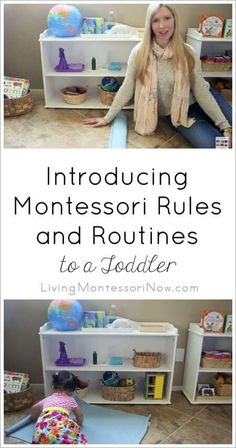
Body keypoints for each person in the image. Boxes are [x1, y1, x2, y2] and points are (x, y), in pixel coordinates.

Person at [83, 2, 232, 148]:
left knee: (230, 125)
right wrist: (107, 117)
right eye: (156, 20)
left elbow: (201, 91)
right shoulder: (139, 53)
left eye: (167, 18)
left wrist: (225, 127)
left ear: (174, 19)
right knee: (215, 145)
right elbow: (127, 86)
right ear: (150, 25)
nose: (162, 25)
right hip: (179, 111)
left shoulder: (188, 52)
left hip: (204, 96)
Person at [31, 371, 88, 444]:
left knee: (44, 437)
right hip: (60, 427)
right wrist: (79, 423)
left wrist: (35, 417)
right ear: (72, 391)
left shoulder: (47, 399)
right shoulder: (71, 400)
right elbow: (80, 415)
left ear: (52, 387)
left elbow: (33, 408)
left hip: (41, 432)